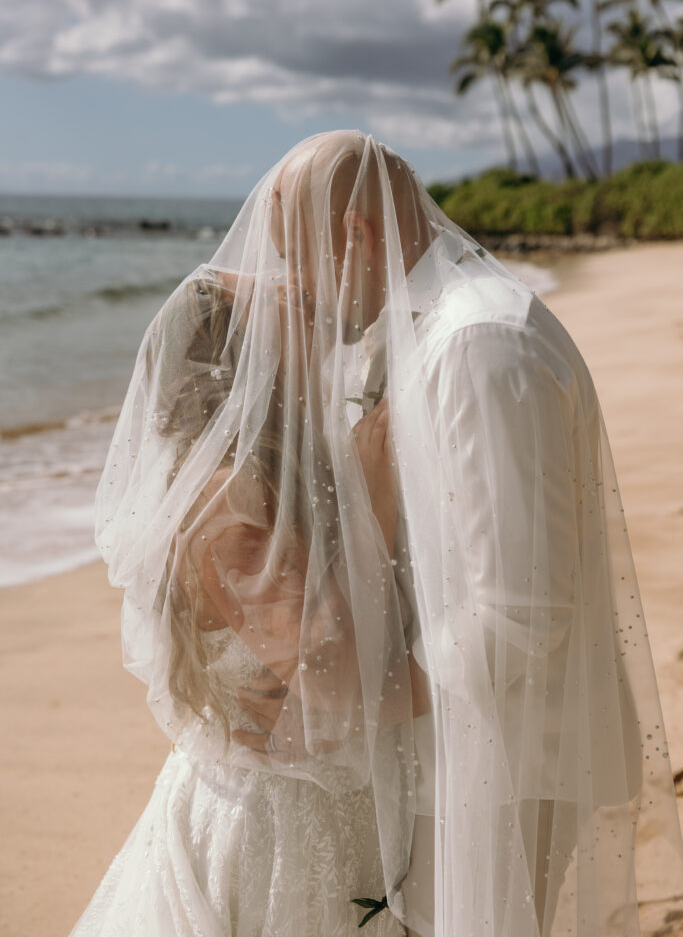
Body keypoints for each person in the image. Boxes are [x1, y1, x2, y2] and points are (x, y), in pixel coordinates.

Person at [73, 131, 682, 937]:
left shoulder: (477, 343)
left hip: (502, 763)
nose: (300, 292)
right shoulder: (410, 348)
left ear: (355, 233)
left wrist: (353, 706)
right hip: (388, 774)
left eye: (296, 263)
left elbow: (519, 611)